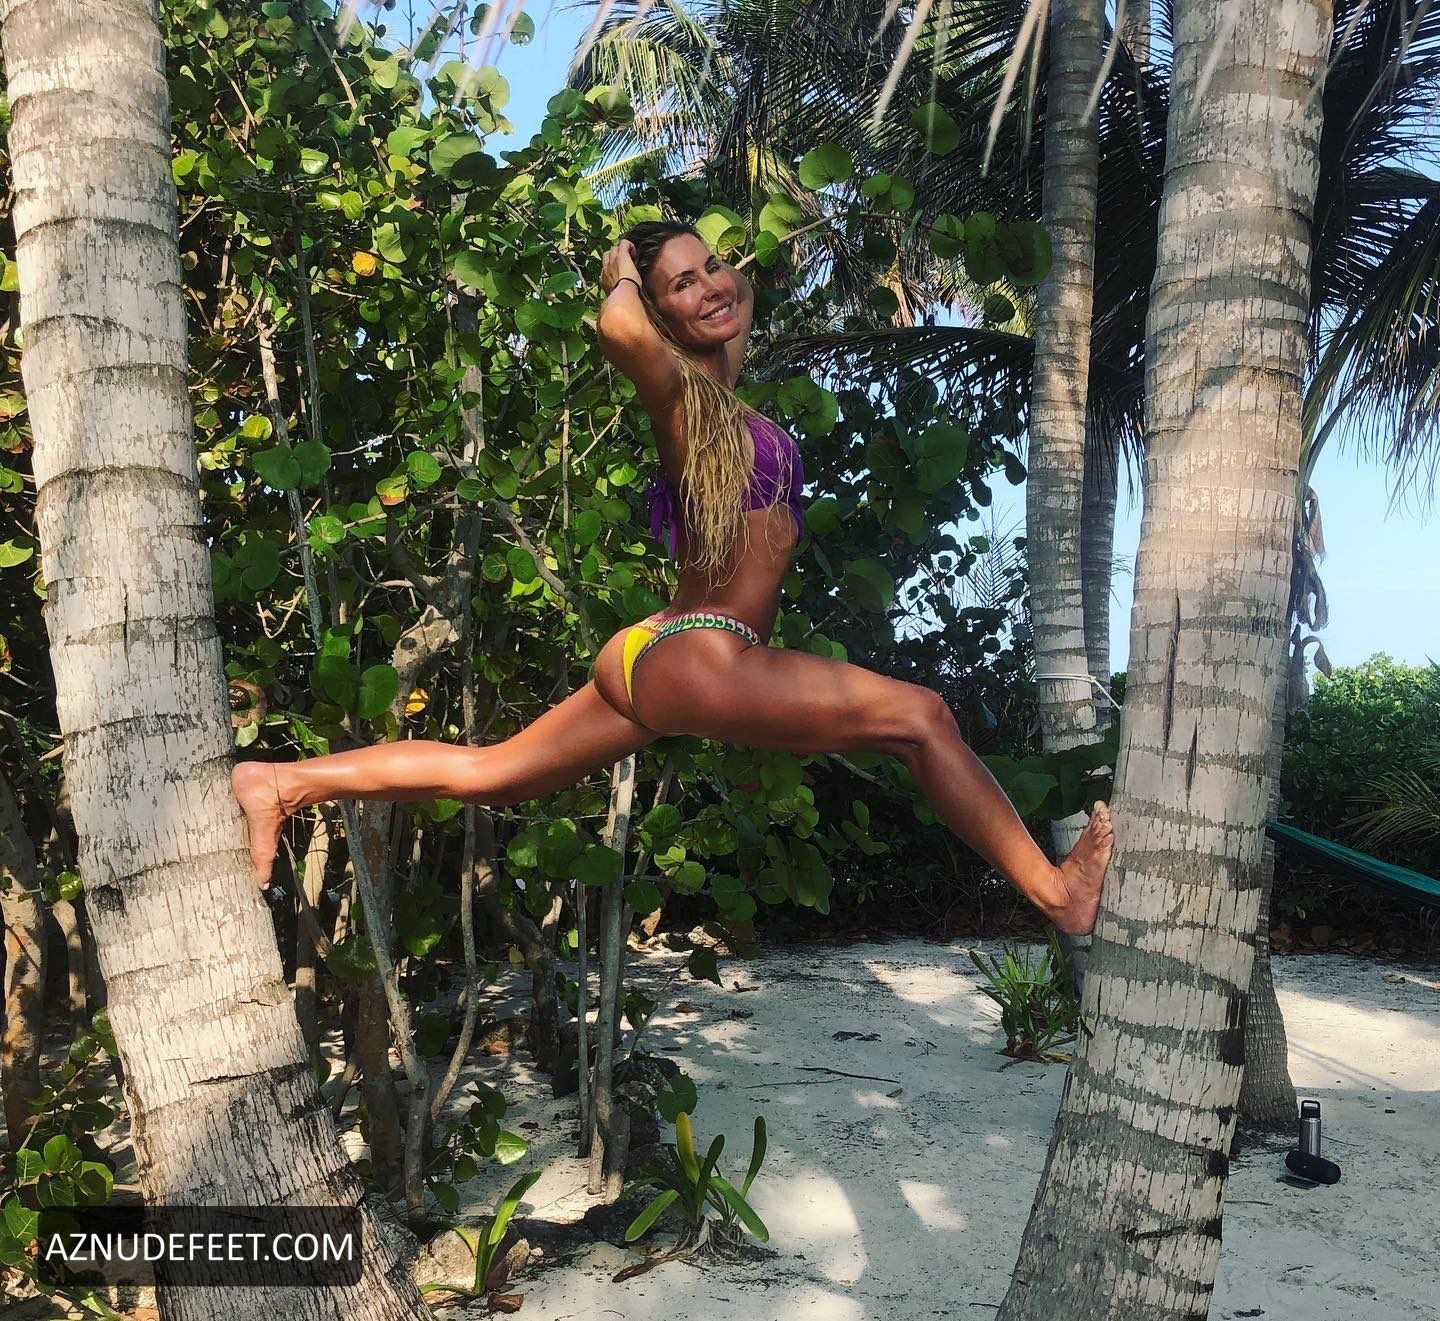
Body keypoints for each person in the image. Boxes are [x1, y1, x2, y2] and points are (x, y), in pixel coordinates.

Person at [232, 220, 1113, 932]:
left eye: (713, 267)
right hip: (703, 651)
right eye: (682, 285)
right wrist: (623, 275)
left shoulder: (724, 387)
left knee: (491, 771)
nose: (711, 286)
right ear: (658, 314)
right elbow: (620, 329)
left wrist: (704, 277)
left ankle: (284, 781)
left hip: (656, 650)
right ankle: (1055, 894)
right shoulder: (680, 393)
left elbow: (737, 299)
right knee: (923, 719)